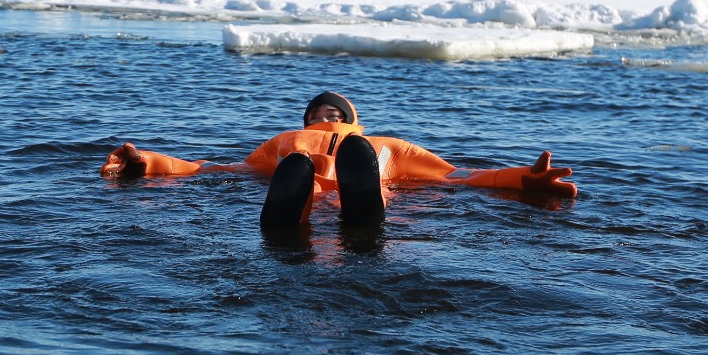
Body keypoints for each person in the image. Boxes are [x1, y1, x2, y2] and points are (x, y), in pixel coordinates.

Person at [99, 90, 577, 230]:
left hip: (363, 183)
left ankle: (363, 215)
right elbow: (219, 171)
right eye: (317, 112)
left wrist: (521, 180)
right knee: (296, 174)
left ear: (354, 119)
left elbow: (460, 178)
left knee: (359, 167)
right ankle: (290, 220)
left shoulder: (389, 146)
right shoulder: (286, 142)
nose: (325, 115)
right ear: (304, 120)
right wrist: (150, 163)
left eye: (336, 112)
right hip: (301, 186)